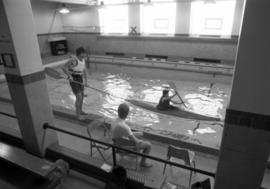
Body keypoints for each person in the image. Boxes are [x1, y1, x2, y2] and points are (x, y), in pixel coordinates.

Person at [111, 103, 152, 168]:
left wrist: (133, 136)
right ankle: (143, 163)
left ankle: (136, 147)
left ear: (118, 111)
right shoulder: (124, 127)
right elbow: (136, 141)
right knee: (149, 145)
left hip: (116, 142)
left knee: (140, 134)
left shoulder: (114, 120)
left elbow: (124, 133)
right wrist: (141, 141)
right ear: (127, 114)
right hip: (123, 147)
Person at [63, 47, 89, 120]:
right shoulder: (73, 60)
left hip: (80, 79)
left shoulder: (83, 60)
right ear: (77, 55)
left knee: (82, 96)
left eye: (84, 56)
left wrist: (86, 82)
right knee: (79, 97)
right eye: (81, 56)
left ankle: (80, 111)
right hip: (73, 79)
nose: (83, 58)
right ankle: (78, 115)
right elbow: (63, 67)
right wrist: (69, 76)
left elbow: (85, 71)